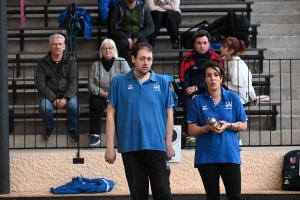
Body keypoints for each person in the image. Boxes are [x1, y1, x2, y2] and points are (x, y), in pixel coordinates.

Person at [104, 42, 175, 200]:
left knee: (163, 194)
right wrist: (110, 147)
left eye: (149, 59)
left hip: (157, 147)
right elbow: (110, 115)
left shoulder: (162, 82)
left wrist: (169, 144)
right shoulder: (118, 82)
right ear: (133, 59)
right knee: (138, 196)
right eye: (142, 58)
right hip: (130, 148)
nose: (146, 62)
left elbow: (169, 115)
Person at [187, 60, 247, 200]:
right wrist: (206, 128)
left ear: (221, 78)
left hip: (230, 155)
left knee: (235, 196)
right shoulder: (197, 101)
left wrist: (228, 125)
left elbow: (243, 125)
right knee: (212, 197)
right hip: (207, 156)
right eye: (209, 75)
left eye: (216, 75)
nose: (212, 78)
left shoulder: (233, 97)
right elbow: (191, 130)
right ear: (205, 79)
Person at [179, 30, 223, 147]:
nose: (202, 46)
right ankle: (190, 136)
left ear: (209, 44)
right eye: (199, 43)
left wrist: (198, 87)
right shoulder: (188, 58)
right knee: (188, 103)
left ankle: (218, 130)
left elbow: (218, 78)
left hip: (210, 89)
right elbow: (183, 78)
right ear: (194, 45)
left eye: (204, 43)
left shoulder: (216, 58)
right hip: (190, 92)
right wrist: (190, 91)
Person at [35, 33, 80, 142]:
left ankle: (71, 129)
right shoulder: (42, 63)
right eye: (54, 44)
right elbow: (40, 84)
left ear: (64, 46)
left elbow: (74, 82)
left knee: (74, 107)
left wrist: (65, 98)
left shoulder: (71, 61)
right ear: (49, 46)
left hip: (67, 95)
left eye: (60, 44)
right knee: (44, 107)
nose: (57, 46)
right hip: (50, 96)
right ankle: (49, 127)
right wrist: (53, 98)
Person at [88, 38, 130, 146]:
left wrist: (114, 93)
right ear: (101, 50)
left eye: (110, 48)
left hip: (117, 94)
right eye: (105, 48)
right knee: (95, 103)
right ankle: (95, 135)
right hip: (101, 94)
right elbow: (91, 84)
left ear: (114, 49)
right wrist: (101, 92)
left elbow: (129, 80)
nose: (108, 50)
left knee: (121, 107)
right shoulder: (95, 65)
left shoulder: (122, 62)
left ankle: (122, 137)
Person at [220, 36, 257, 106]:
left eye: (224, 47)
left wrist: (223, 84)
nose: (221, 48)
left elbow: (238, 85)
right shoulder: (225, 59)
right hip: (230, 93)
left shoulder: (237, 63)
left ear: (231, 51)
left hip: (241, 96)